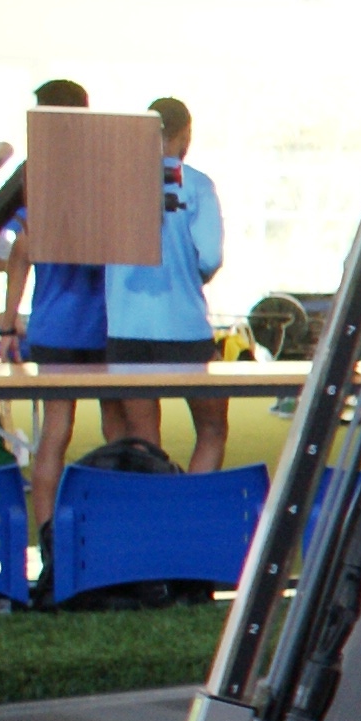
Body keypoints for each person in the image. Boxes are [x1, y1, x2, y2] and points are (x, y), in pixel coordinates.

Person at [103, 95, 231, 471]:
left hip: (127, 328)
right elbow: (210, 256)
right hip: (183, 326)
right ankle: (191, 499)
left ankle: (155, 503)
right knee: (212, 427)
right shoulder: (197, 185)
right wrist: (190, 276)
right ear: (185, 134)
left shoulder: (114, 184)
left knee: (143, 437)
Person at [6, 77, 113, 523]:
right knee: (113, 428)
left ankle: (49, 529)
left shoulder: (34, 173)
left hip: (60, 324)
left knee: (57, 430)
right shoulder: (102, 168)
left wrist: (8, 323)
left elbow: (21, 251)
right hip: (99, 322)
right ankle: (110, 520)